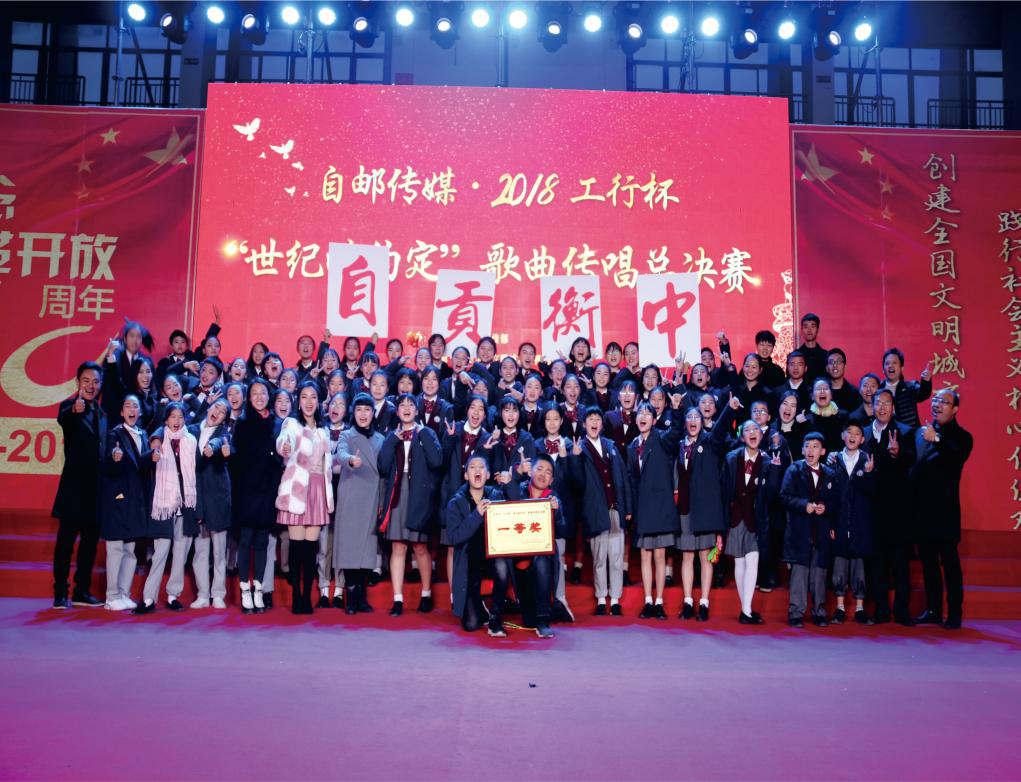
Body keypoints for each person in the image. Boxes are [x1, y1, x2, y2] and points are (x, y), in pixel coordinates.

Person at [911, 390, 973, 629]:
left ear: (955, 409)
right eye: (935, 400)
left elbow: (955, 459)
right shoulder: (921, 433)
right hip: (922, 510)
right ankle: (934, 611)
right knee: (929, 564)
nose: (937, 405)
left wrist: (936, 439)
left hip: (945, 511)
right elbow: (915, 468)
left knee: (950, 564)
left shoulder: (962, 437)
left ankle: (954, 613)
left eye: (944, 402)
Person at [377, 393, 443, 615]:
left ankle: (426, 594)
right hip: (397, 493)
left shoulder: (426, 432)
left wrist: (422, 433)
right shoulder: (391, 435)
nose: (406, 408)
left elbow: (437, 461)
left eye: (410, 405)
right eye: (402, 405)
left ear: (416, 410)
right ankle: (398, 599)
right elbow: (383, 466)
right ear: (397, 412)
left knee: (420, 547)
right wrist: (393, 440)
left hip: (418, 495)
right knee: (398, 546)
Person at [676, 397, 739, 620]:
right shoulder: (680, 445)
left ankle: (703, 603)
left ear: (702, 422)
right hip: (685, 509)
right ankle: (687, 602)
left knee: (705, 556)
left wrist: (729, 410)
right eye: (689, 417)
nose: (693, 420)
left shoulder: (710, 441)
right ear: (685, 422)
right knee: (687, 556)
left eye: (697, 417)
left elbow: (720, 429)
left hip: (705, 510)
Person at [276, 382, 334, 615]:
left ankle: (307, 597)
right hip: (297, 489)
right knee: (296, 548)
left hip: (318, 490)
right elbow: (284, 441)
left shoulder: (324, 430)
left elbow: (329, 462)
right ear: (298, 401)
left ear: (318, 402)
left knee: (311, 550)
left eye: (313, 397)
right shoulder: (291, 424)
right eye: (304, 397)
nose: (309, 401)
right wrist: (284, 447)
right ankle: (296, 597)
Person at [52, 362, 106, 608]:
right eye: (86, 380)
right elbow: (63, 419)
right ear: (77, 382)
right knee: (65, 543)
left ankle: (81, 591)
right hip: (73, 489)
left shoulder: (103, 414)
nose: (91, 386)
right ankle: (60, 593)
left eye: (95, 381)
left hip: (96, 490)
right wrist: (75, 409)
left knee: (89, 545)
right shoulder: (69, 407)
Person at [135, 403, 198, 614]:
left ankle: (173, 595)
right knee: (160, 553)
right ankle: (148, 598)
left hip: (186, 505)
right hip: (164, 503)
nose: (177, 421)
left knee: (180, 554)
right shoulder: (159, 440)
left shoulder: (191, 441)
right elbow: (143, 462)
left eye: (180, 416)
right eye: (173, 416)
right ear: (166, 420)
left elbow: (197, 473)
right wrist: (151, 457)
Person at [862, 389, 916, 625]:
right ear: (872, 406)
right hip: (872, 507)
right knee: (877, 562)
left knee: (900, 562)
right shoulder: (863, 433)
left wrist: (897, 454)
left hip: (897, 509)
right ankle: (882, 610)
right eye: (878, 403)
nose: (882, 407)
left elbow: (912, 460)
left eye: (886, 403)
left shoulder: (904, 432)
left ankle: (902, 611)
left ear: (893, 408)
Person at [722, 419, 783, 624]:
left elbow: (772, 496)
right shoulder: (731, 458)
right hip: (735, 518)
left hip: (756, 520)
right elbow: (724, 490)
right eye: (747, 430)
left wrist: (775, 470)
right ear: (742, 437)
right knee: (739, 562)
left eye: (755, 429)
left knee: (753, 561)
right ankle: (745, 609)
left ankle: (746, 611)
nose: (752, 432)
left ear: (761, 435)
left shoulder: (768, 461)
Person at [628, 398, 684, 620]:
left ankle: (659, 601)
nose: (643, 417)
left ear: (654, 420)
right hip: (643, 509)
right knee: (644, 556)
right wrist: (630, 509)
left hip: (660, 508)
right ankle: (648, 601)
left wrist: (676, 409)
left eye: (647, 414)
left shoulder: (661, 438)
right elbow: (631, 481)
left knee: (660, 556)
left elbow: (676, 432)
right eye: (640, 414)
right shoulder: (632, 446)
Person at [575, 406, 632, 615]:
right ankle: (601, 598)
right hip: (595, 510)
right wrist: (573, 458)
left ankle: (615, 599)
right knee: (599, 557)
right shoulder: (579, 448)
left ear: (601, 424)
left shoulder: (611, 446)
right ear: (584, 424)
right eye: (590, 419)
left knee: (616, 556)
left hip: (615, 508)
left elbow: (623, 478)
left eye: (597, 419)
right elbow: (576, 482)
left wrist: (627, 507)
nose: (594, 422)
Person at [231, 378, 282, 614]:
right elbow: (237, 459)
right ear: (249, 398)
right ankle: (244, 590)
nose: (260, 397)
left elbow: (279, 455)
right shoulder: (242, 424)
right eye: (255, 393)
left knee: (262, 541)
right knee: (245, 540)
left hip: (268, 488)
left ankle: (259, 589)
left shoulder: (276, 423)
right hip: (246, 490)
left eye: (263, 393)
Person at [501, 453, 564, 638]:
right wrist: (512, 477)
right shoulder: (518, 490)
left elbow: (562, 530)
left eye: (548, 472)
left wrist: (556, 513)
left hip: (541, 562)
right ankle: (529, 610)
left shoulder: (553, 499)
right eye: (539, 469)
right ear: (530, 472)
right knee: (529, 620)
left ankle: (544, 619)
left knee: (543, 556)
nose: (543, 475)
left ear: (552, 480)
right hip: (520, 561)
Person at [333, 394, 385, 614]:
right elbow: (341, 454)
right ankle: (351, 596)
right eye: (359, 410)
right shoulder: (347, 435)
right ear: (353, 413)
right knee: (350, 547)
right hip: (351, 495)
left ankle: (361, 596)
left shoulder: (381, 439)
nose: (363, 414)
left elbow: (384, 470)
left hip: (372, 497)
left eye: (367, 410)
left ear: (373, 413)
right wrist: (351, 460)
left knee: (366, 548)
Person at [98, 394, 150, 611]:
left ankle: (123, 593)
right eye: (127, 406)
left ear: (140, 412)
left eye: (135, 406)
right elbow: (105, 464)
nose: (132, 410)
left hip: (135, 501)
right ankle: (111, 597)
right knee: (115, 549)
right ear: (121, 412)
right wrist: (114, 458)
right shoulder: (114, 434)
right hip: (118, 499)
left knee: (130, 550)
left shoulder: (143, 435)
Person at [782, 432, 837, 628]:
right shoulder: (794, 470)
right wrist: (803, 504)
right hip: (800, 531)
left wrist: (826, 508)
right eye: (807, 446)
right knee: (799, 575)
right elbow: (784, 496)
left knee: (819, 575)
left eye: (815, 446)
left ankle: (819, 612)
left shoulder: (830, 473)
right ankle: (796, 613)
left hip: (821, 532)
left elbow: (836, 502)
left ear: (822, 451)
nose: (811, 450)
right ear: (802, 449)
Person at [445, 455, 505, 633]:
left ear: (488, 475)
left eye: (481, 467)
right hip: (470, 561)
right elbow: (454, 537)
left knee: (502, 567)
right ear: (466, 475)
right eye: (472, 467)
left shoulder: (496, 495)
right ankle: (480, 607)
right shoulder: (456, 502)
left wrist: (509, 483)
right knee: (471, 625)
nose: (477, 470)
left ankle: (496, 618)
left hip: (494, 556)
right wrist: (477, 514)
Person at [829, 421, 876, 625]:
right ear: (843, 436)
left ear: (862, 439)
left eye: (857, 433)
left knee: (859, 568)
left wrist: (869, 474)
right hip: (839, 521)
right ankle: (839, 609)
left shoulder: (867, 461)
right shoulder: (834, 460)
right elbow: (829, 495)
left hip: (860, 523)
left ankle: (859, 609)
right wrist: (831, 524)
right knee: (839, 567)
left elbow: (874, 493)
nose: (853, 436)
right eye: (849, 432)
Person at [188, 399, 233, 609]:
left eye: (222, 411)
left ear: (224, 419)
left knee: (219, 551)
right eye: (216, 407)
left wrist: (212, 449)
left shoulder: (224, 435)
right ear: (208, 408)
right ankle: (203, 594)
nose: (217, 412)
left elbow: (219, 443)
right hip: (197, 497)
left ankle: (218, 594)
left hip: (217, 497)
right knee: (200, 550)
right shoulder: (192, 430)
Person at [879, 348, 933, 428]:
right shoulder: (878, 390)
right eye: (887, 363)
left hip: (909, 432)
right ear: (883, 369)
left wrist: (926, 381)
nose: (890, 366)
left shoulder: (910, 387)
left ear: (902, 368)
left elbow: (923, 393)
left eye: (894, 363)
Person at [796, 312, 827, 382]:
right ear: (802, 329)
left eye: (813, 326)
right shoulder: (795, 356)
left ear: (818, 329)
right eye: (806, 327)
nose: (809, 330)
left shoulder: (826, 356)